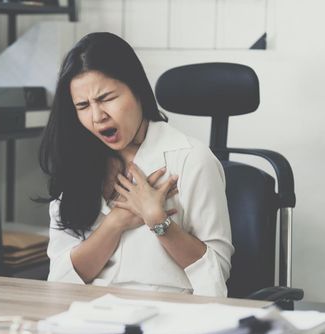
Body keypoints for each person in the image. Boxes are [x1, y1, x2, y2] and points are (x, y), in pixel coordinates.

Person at [38, 32, 234, 297]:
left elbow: (215, 274)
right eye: (83, 105)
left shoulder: (192, 158)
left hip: (167, 316)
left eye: (106, 98)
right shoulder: (76, 162)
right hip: (89, 317)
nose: (97, 116)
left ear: (138, 91)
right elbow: (60, 279)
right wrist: (115, 223)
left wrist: (157, 220)